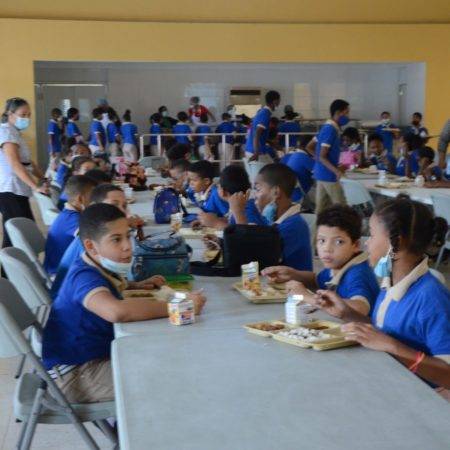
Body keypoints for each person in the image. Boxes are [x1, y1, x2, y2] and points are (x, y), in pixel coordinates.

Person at [43, 203, 207, 403]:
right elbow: (116, 312)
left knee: (167, 357)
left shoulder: (96, 266)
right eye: (116, 239)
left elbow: (111, 289)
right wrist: (179, 307)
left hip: (92, 358)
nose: (127, 246)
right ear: (90, 246)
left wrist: (135, 285)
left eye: (128, 236)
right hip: (75, 374)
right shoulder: (83, 276)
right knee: (170, 380)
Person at [301, 196, 450, 397]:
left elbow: (447, 375)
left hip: (423, 397)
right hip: (390, 382)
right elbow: (384, 332)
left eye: (371, 235)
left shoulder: (431, 298)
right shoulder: (390, 280)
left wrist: (393, 347)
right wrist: (346, 313)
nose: (366, 244)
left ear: (396, 243)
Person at [263, 204, 380, 316]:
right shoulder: (338, 265)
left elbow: (360, 308)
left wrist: (307, 297)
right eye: (322, 241)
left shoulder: (358, 273)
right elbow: (317, 281)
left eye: (338, 242)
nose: (327, 249)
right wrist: (293, 274)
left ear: (356, 245)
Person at [50, 184, 145, 298]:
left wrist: (136, 285)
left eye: (124, 206)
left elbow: (105, 279)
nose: (121, 211)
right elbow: (91, 284)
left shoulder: (99, 238)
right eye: (114, 205)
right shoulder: (91, 243)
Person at [229, 164, 313, 271]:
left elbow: (254, 260)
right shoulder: (271, 220)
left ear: (276, 192)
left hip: (291, 286)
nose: (255, 195)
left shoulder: (295, 225)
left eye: (258, 189)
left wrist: (239, 214)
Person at [0, 98, 49, 248]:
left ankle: (7, 268)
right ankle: (9, 268)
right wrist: (36, 187)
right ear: (10, 114)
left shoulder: (15, 132)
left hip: (17, 189)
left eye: (28, 114)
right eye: (23, 114)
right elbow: (15, 164)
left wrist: (42, 177)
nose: (26, 118)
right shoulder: (6, 132)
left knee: (17, 231)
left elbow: (28, 162)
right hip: (10, 189)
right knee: (20, 231)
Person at [44, 175, 97, 275]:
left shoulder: (68, 213)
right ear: (80, 199)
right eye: (92, 197)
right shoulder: (73, 220)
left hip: (63, 268)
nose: (95, 201)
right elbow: (94, 241)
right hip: (60, 274)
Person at [308, 99, 349, 214]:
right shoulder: (330, 130)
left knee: (321, 210)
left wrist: (324, 163)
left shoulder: (326, 127)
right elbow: (322, 156)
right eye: (346, 113)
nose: (347, 116)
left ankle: (317, 232)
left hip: (321, 173)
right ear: (338, 112)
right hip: (328, 176)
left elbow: (309, 147)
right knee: (342, 209)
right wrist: (336, 171)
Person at [195, 164, 265, 230]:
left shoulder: (248, 208)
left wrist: (216, 223)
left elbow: (248, 235)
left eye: (218, 186)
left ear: (223, 192)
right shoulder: (238, 205)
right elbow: (233, 223)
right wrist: (208, 221)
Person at [245, 91, 281, 171]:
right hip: (255, 151)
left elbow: (259, 135)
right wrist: (256, 153)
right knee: (269, 173)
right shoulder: (265, 114)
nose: (279, 104)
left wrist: (271, 143)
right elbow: (256, 134)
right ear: (275, 101)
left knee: (271, 169)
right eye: (279, 101)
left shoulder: (262, 112)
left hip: (257, 149)